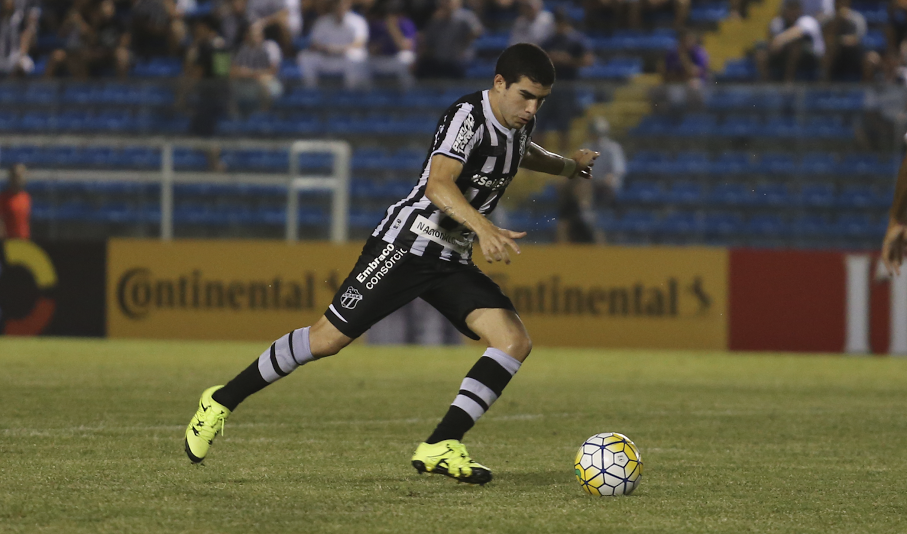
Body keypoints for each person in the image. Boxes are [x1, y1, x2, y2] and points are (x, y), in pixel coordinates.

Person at [183, 43, 599, 485]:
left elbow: (524, 151)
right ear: (499, 84)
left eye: (541, 101)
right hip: (406, 245)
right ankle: (220, 401)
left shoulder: (517, 123)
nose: (533, 109)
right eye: (526, 96)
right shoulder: (467, 116)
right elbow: (439, 185)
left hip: (449, 257)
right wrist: (483, 228)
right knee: (325, 341)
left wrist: (570, 167)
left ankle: (442, 444)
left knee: (513, 340)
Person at [556, 116, 624, 244]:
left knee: (583, 183)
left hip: (605, 187)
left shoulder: (612, 149)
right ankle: (581, 209)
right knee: (571, 185)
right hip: (588, 185)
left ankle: (585, 208)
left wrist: (600, 180)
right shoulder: (586, 148)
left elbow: (615, 174)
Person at [536, 7, 593, 154]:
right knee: (540, 124)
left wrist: (568, 60)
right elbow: (537, 59)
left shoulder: (575, 40)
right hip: (548, 87)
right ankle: (538, 160)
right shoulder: (549, 40)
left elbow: (588, 60)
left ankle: (562, 157)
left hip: (567, 86)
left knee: (563, 125)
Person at [297, 0, 369, 89]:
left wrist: (339, 49)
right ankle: (311, 90)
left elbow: (360, 43)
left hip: (345, 58)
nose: (340, 6)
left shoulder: (357, 21)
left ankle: (351, 92)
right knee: (305, 56)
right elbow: (313, 43)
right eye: (337, 4)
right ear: (333, 5)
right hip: (327, 57)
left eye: (343, 4)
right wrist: (326, 48)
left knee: (356, 56)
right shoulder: (322, 21)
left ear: (348, 5)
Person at [755, 0, 825, 82]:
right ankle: (765, 82)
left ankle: (788, 82)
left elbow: (798, 32)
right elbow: (771, 41)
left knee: (795, 45)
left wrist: (780, 40)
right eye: (790, 8)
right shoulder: (778, 22)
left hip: (811, 59)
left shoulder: (807, 20)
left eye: (795, 8)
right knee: (761, 48)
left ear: (800, 10)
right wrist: (775, 44)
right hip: (782, 56)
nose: (792, 12)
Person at [414, 0, 482, 79]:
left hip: (459, 60)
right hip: (439, 60)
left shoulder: (466, 16)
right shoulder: (436, 20)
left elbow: (478, 32)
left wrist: (465, 39)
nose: (447, 3)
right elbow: (427, 41)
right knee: (422, 68)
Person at [367, 0, 417, 90]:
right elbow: (370, 50)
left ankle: (408, 90)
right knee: (362, 61)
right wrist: (378, 47)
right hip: (382, 59)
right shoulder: (377, 25)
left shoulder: (406, 24)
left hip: (397, 59)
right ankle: (366, 93)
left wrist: (392, 29)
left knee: (406, 57)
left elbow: (405, 47)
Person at [0, 163, 30, 239]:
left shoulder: (26, 197)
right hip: (9, 241)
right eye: (17, 176)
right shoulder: (3, 198)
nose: (20, 179)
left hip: (24, 240)